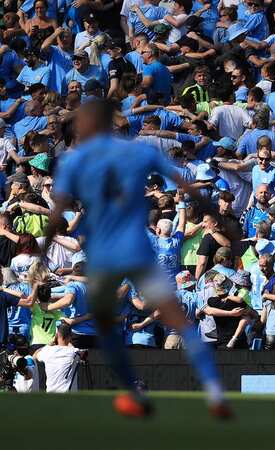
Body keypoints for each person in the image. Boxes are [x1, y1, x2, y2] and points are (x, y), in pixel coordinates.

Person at [45, 100, 230, 418]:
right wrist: (218, 217)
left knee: (105, 325)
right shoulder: (139, 152)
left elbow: (58, 213)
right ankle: (214, 393)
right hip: (140, 252)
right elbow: (189, 189)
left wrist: (43, 248)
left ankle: (134, 393)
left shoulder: (76, 162)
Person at [32, 323, 82, 393]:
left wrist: (50, 344)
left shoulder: (47, 351)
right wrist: (68, 341)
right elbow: (82, 354)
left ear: (56, 336)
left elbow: (34, 356)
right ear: (70, 337)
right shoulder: (74, 352)